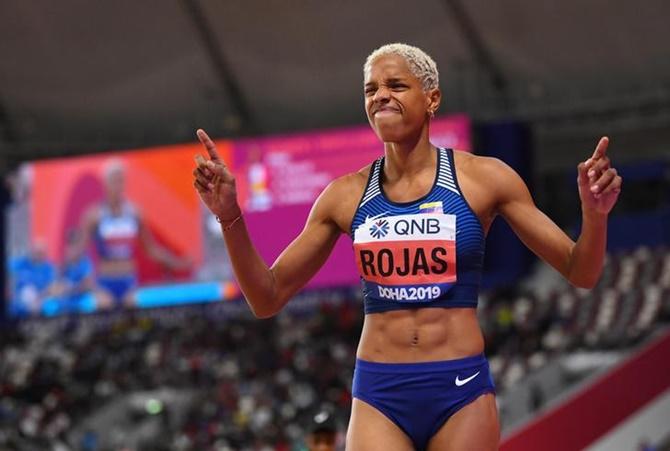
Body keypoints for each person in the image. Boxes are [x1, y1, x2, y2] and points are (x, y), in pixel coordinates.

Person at [192, 43, 622, 451]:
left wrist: (594, 215)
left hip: (459, 388)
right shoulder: (344, 196)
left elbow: (580, 270)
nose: (381, 96)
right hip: (380, 392)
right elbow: (266, 297)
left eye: (396, 86)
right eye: (371, 90)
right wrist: (229, 216)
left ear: (432, 98)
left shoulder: (484, 179)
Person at [74, 159, 191, 307]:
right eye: (114, 181)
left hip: (129, 281)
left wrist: (177, 263)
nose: (118, 186)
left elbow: (152, 249)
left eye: (121, 181)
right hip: (104, 283)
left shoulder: (135, 213)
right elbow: (79, 251)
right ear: (105, 183)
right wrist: (83, 277)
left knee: (132, 309)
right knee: (105, 306)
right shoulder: (94, 215)